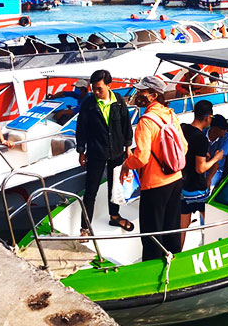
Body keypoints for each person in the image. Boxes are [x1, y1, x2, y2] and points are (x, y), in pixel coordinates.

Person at [119, 76, 188, 261]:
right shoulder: (171, 115)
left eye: (142, 91)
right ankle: (174, 262)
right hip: (175, 178)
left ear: (153, 95)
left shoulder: (146, 121)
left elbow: (141, 157)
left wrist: (127, 164)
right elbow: (184, 146)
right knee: (172, 226)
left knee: (151, 233)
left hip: (154, 184)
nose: (138, 95)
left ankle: (151, 271)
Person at [76, 70, 134, 236]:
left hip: (116, 151)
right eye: (93, 88)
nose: (96, 92)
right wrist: (81, 151)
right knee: (90, 190)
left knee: (115, 186)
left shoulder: (118, 102)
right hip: (96, 152)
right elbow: (81, 129)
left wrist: (128, 147)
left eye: (99, 88)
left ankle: (114, 216)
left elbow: (126, 125)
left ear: (109, 86)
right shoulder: (88, 104)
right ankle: (85, 227)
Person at [180, 101, 224, 247]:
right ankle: (212, 247)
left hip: (182, 186)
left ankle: (176, 254)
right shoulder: (201, 139)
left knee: (182, 227)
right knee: (209, 221)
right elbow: (201, 168)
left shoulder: (183, 128)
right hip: (197, 189)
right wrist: (216, 158)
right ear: (207, 117)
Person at [204, 114, 228, 189]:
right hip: (201, 167)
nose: (225, 131)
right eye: (223, 129)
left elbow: (218, 161)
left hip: (216, 170)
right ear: (214, 129)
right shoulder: (202, 134)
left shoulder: (227, 137)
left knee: (208, 188)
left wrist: (209, 179)